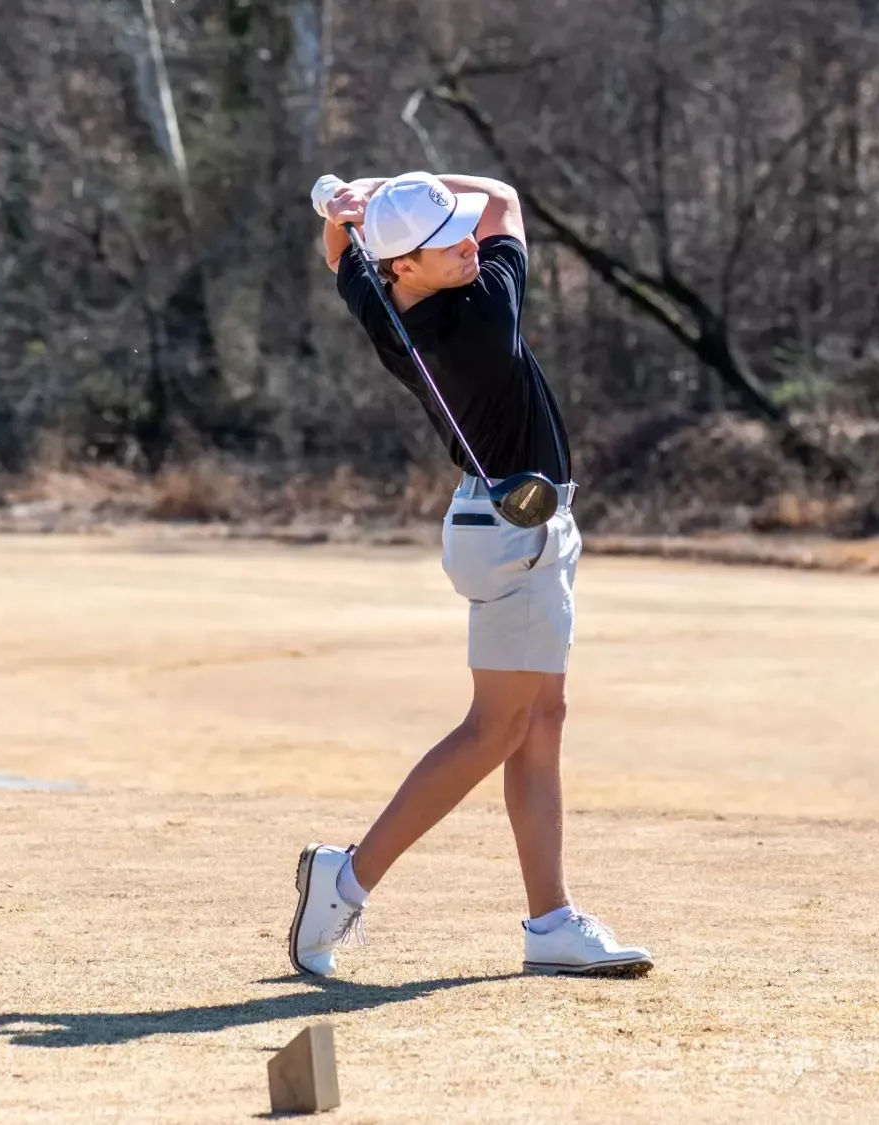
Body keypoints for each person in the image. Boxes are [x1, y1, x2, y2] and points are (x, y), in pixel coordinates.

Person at [285, 170, 653, 979]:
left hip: (516, 524)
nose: (465, 241)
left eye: (459, 231)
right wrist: (372, 187)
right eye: (444, 241)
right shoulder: (481, 316)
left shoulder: (386, 301)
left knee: (541, 718)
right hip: (512, 534)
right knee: (495, 728)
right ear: (406, 265)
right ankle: (343, 881)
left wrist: (344, 212)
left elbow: (339, 250)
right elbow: (506, 198)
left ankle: (550, 919)